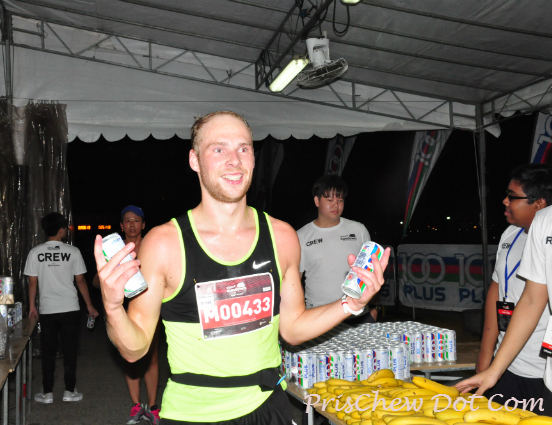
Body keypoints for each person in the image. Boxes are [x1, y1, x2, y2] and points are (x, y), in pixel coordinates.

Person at [94, 111, 389, 424]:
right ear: (195, 160)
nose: (234, 160)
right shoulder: (164, 243)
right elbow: (135, 350)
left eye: (243, 148)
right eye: (218, 149)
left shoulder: (282, 236)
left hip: (269, 406)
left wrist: (351, 304)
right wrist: (112, 307)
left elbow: (292, 329)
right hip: (195, 414)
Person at [456, 132, 552, 418]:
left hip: (539, 367)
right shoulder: (542, 223)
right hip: (543, 377)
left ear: (538, 202)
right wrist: (491, 365)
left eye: (512, 197)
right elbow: (528, 299)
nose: (504, 201)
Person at [93, 205, 160, 424]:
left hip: (150, 309)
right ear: (122, 225)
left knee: (152, 358)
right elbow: (97, 281)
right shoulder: (114, 250)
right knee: (129, 359)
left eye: (136, 220)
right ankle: (136, 406)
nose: (132, 224)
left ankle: (153, 407)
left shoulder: (152, 246)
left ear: (143, 224)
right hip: (124, 309)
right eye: (128, 221)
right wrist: (106, 278)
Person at [25, 212, 98, 404]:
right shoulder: (73, 252)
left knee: (48, 351)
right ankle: (69, 391)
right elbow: (80, 280)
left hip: (47, 309)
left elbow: (32, 282)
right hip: (70, 308)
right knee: (70, 350)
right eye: (65, 227)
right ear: (60, 230)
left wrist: (32, 306)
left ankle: (47, 392)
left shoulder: (35, 252)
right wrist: (89, 305)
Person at [296, 175, 377, 323]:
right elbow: (294, 282)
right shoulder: (301, 236)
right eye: (330, 200)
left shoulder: (359, 230)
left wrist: (373, 308)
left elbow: (372, 272)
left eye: (340, 200)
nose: (336, 205)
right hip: (318, 316)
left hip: (356, 313)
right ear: (317, 201)